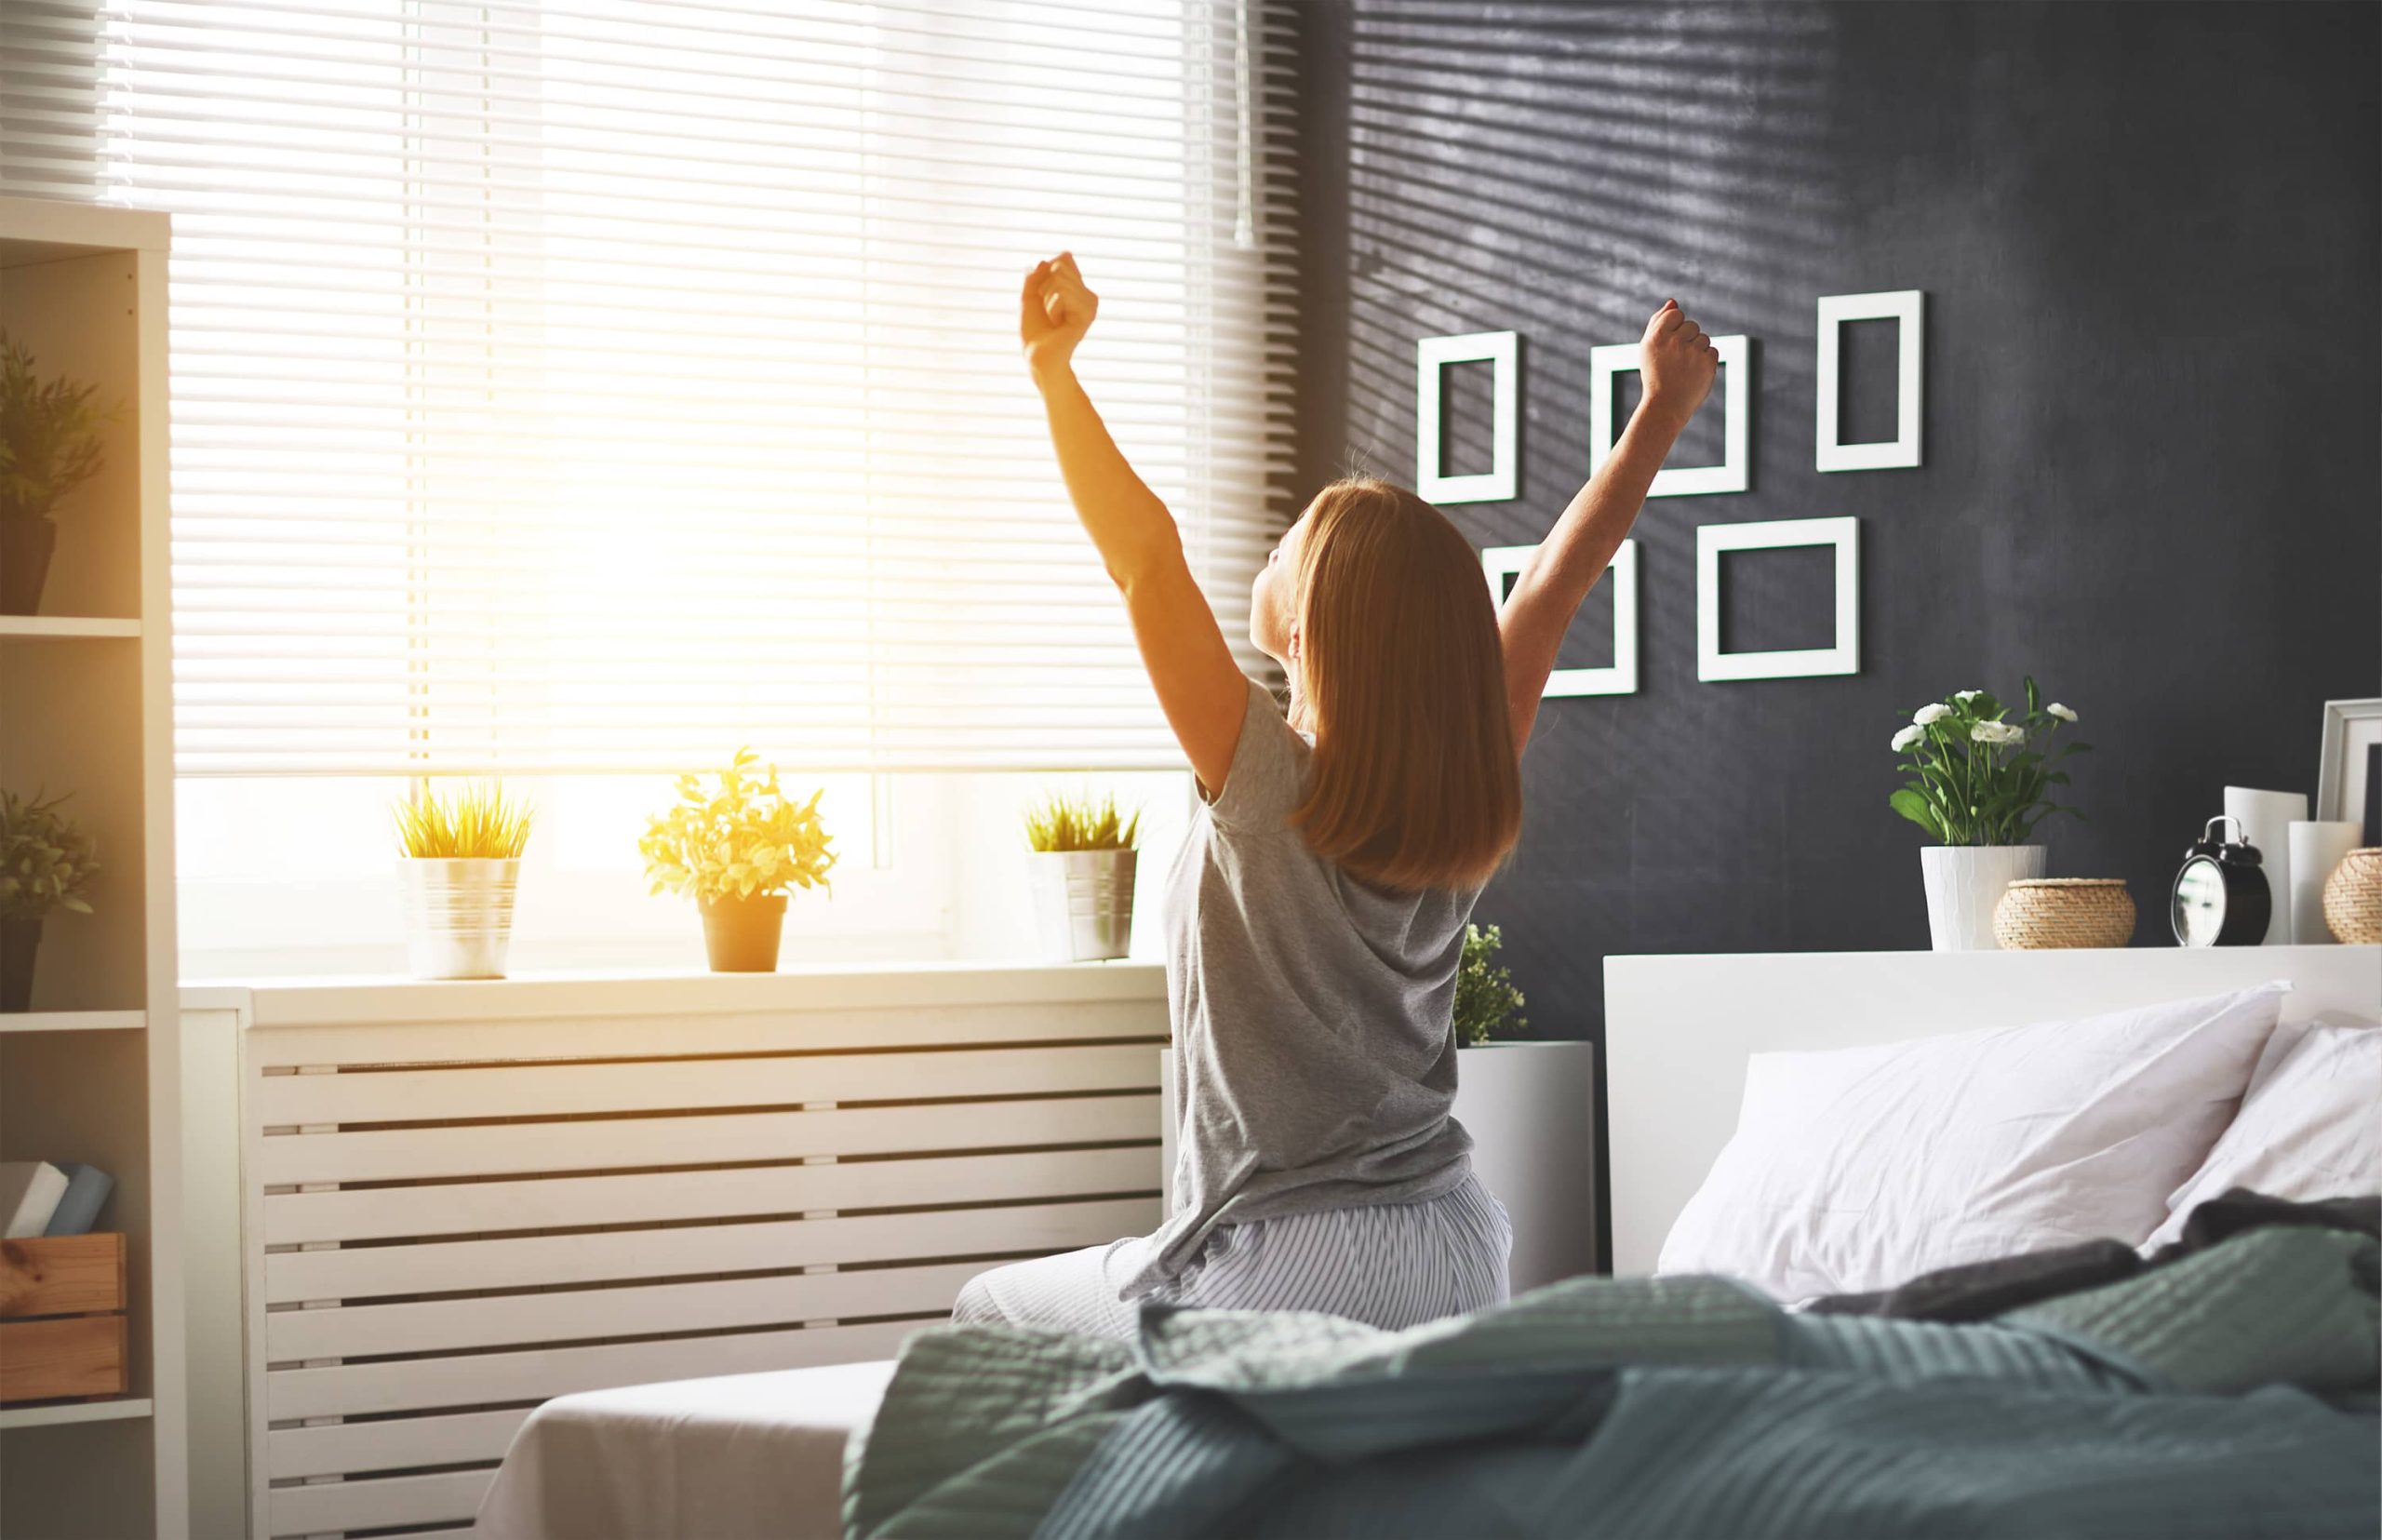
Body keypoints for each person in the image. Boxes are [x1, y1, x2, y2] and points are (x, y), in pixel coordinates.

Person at [951, 252, 1720, 1336]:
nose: (1265, 551)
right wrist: (1662, 411)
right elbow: (1560, 574)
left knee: (988, 1309)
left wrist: (1053, 374)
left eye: (1284, 545)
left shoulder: (1261, 777)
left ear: (1310, 627)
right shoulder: (1469, 771)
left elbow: (1145, 560)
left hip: (1282, 1256)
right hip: (1454, 1242)